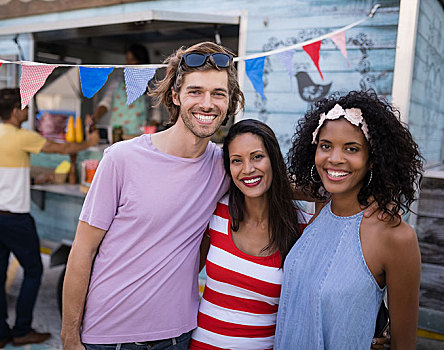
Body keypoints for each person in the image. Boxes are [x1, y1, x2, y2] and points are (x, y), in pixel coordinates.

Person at [60, 41, 244, 349]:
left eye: (218, 93)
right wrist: (69, 336)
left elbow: (272, 182)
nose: (207, 103)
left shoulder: (224, 167)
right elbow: (82, 251)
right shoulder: (121, 158)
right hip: (108, 337)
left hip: (179, 336)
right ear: (176, 95)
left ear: (229, 103)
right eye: (195, 91)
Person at [275, 90, 423, 349]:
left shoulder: (395, 236)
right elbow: (271, 183)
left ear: (373, 159)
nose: (335, 159)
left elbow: (404, 343)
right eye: (325, 146)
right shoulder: (322, 203)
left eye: (351, 148)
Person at [0, 88, 99, 349]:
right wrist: (89, 144)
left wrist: (31, 179)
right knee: (34, 270)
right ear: (14, 112)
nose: (27, 111)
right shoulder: (22, 136)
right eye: (23, 107)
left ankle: (0, 333)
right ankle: (22, 331)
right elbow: (61, 147)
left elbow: (2, 173)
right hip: (12, 217)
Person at [190, 119, 307, 349]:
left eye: (257, 157)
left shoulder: (302, 226)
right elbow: (185, 273)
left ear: (273, 159)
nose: (247, 169)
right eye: (236, 161)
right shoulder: (217, 211)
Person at [90, 43, 161, 136]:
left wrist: (151, 133)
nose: (128, 63)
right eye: (127, 59)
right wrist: (94, 118)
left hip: (139, 136)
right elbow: (105, 103)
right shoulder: (117, 81)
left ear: (142, 62)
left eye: (132, 60)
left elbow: (156, 113)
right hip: (117, 134)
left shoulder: (150, 85)